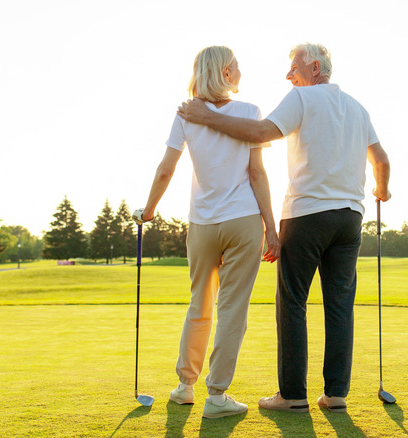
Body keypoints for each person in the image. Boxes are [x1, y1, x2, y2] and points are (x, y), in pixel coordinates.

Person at [178, 43, 391, 413]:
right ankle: (335, 395)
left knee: (292, 303)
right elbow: (381, 161)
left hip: (306, 215)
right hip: (349, 218)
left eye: (294, 67)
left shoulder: (302, 98)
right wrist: (381, 190)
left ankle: (292, 396)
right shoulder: (358, 107)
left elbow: (262, 132)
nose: (288, 75)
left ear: (314, 67)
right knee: (340, 305)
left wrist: (205, 116)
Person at [135, 45, 280, 419]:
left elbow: (165, 169)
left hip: (201, 224)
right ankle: (217, 396)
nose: (241, 72)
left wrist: (148, 210)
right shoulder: (249, 112)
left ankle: (185, 387)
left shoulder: (185, 113)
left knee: (199, 304)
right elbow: (257, 173)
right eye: (237, 66)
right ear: (226, 73)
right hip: (243, 221)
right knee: (232, 309)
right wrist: (271, 227)